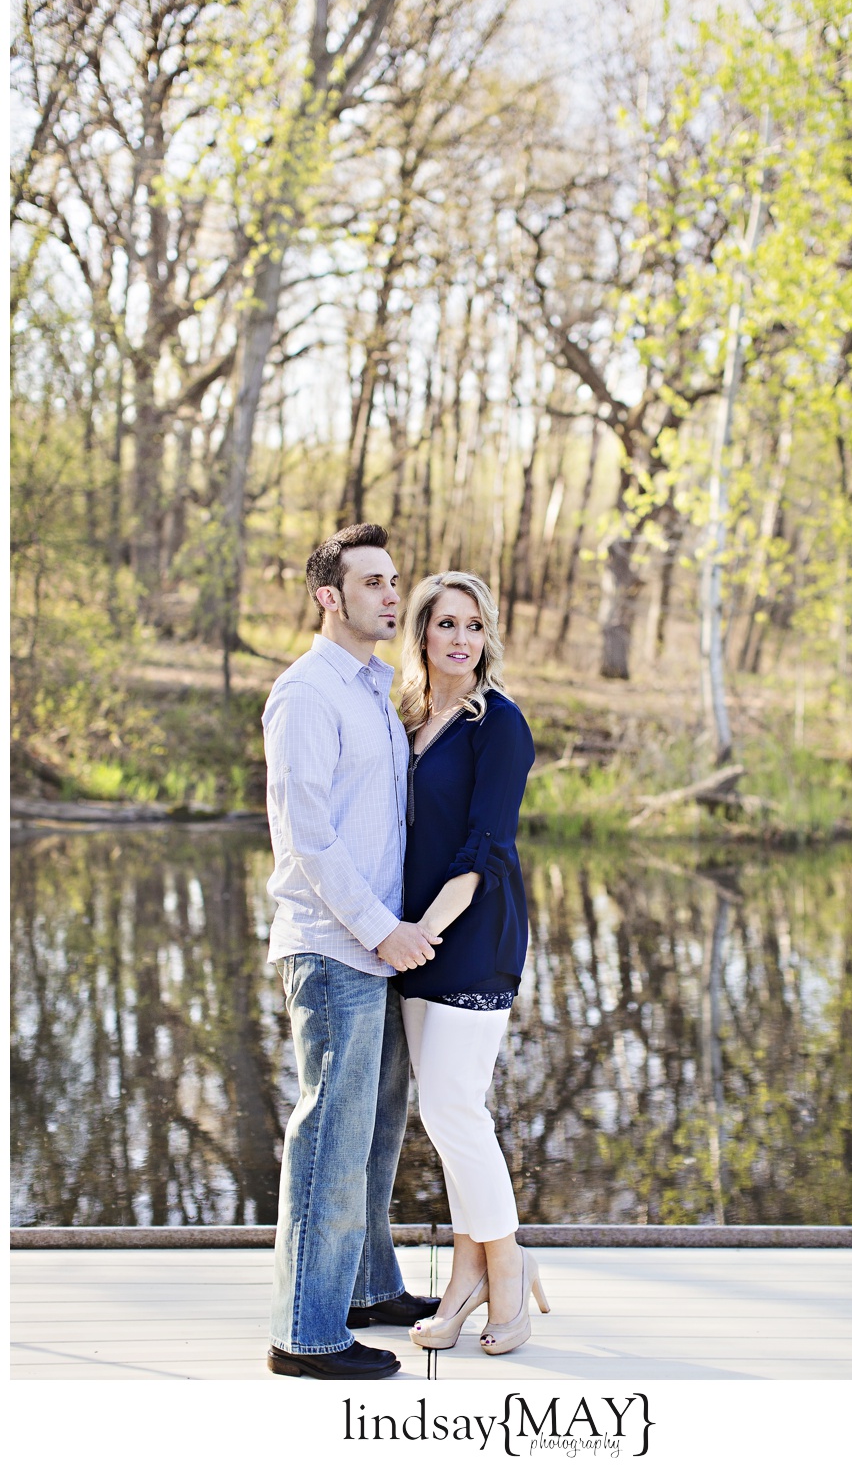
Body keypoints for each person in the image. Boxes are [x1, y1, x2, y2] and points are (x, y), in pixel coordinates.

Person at [262, 522, 441, 1382]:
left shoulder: (373, 687)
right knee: (329, 1137)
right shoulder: (307, 695)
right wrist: (381, 927)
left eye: (394, 580)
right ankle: (305, 1333)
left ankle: (368, 1287)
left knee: (371, 1136)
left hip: (381, 950)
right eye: (372, 582)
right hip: (335, 947)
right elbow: (309, 840)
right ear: (329, 596)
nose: (391, 595)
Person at [388, 571, 550, 1356]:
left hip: (470, 933)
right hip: (412, 938)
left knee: (455, 1109)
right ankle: (466, 1277)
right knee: (445, 1118)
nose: (460, 638)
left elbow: (486, 848)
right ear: (423, 632)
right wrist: (400, 931)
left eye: (473, 626)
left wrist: (424, 927)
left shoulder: (500, 724)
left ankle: (507, 1273)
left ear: (487, 638)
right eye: (446, 623)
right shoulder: (412, 716)